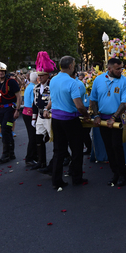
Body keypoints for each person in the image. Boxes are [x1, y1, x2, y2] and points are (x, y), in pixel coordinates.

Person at [49, 56, 90, 189]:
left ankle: (56, 180)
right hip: (70, 120)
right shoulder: (72, 82)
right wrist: (86, 115)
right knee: (77, 149)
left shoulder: (53, 80)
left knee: (58, 151)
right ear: (71, 66)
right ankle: (76, 178)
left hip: (56, 119)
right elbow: (79, 105)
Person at [90, 58, 126, 186]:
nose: (121, 71)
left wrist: (113, 117)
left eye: (121, 68)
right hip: (102, 119)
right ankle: (115, 173)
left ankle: (122, 175)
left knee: (116, 146)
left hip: (116, 119)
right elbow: (93, 100)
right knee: (108, 147)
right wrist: (96, 115)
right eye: (118, 69)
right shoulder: (98, 80)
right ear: (109, 69)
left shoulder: (125, 82)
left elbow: (125, 103)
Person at [0, 62, 21, 164]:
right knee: (6, 131)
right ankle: (11, 152)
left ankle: (5, 154)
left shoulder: (11, 82)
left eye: (2, 71)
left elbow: (18, 96)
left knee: (6, 129)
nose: (0, 73)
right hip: (0, 110)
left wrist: (17, 110)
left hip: (10, 109)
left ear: (5, 72)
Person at [22, 71, 38, 167]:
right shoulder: (34, 88)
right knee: (33, 137)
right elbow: (34, 103)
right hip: (30, 114)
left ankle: (34, 155)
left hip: (26, 113)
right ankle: (29, 158)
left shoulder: (29, 86)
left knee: (33, 136)